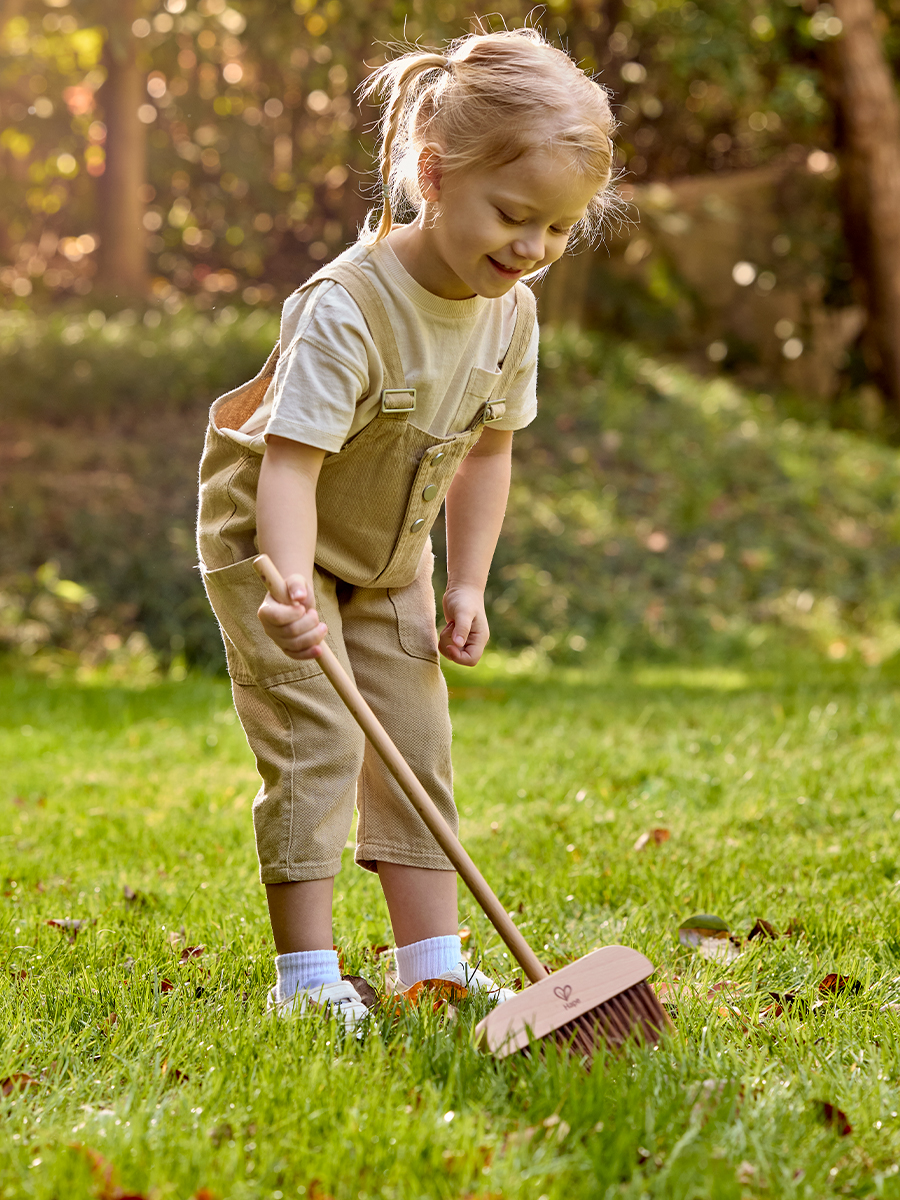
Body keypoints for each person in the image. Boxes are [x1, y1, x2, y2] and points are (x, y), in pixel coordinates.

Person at [197, 26, 616, 1028]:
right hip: (280, 540)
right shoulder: (348, 309)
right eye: (513, 215)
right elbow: (289, 466)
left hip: (391, 549)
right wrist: (288, 590)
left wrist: (466, 581)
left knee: (415, 740)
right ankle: (306, 981)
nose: (532, 248)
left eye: (559, 229)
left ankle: (432, 966)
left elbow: (487, 452)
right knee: (319, 740)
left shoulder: (511, 315)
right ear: (433, 174)